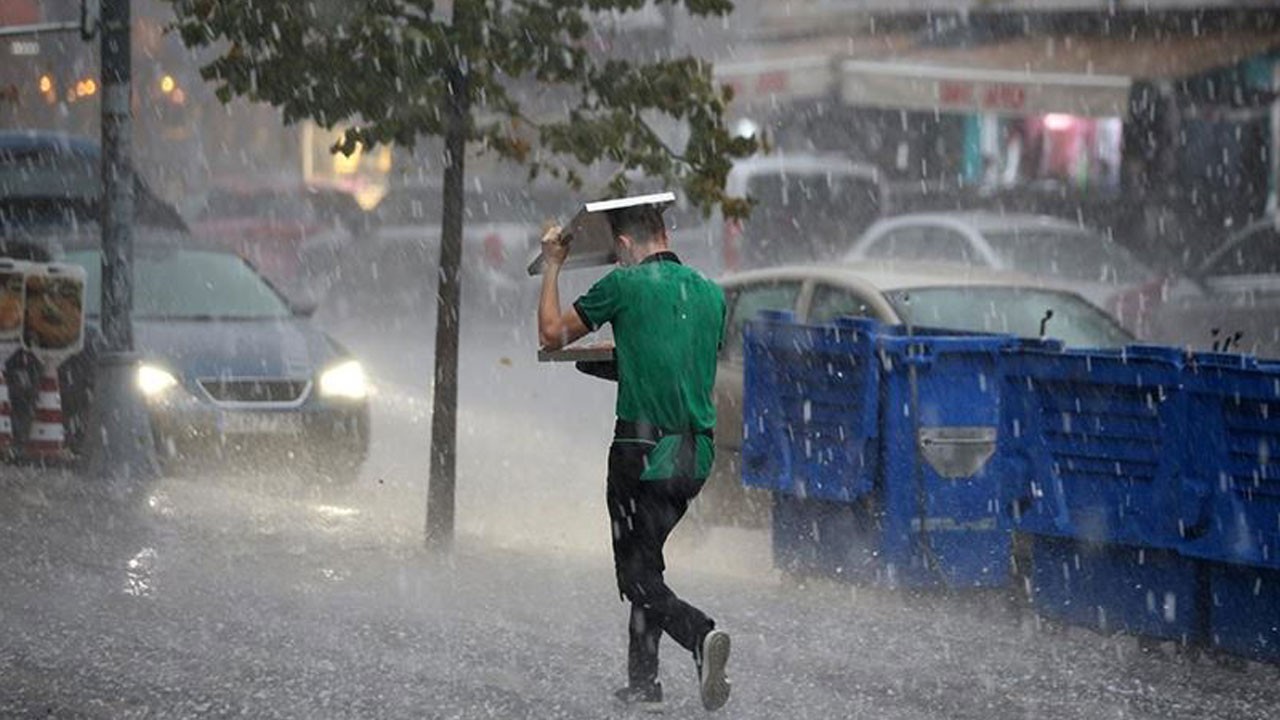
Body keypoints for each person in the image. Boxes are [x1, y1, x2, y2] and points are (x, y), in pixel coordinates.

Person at [537, 201, 732, 712]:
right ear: (665, 232)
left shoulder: (623, 286)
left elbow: (551, 334)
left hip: (641, 453)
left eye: (618, 252)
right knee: (647, 561)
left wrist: (554, 263)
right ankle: (644, 683)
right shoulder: (712, 294)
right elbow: (678, 364)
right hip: (695, 456)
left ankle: (699, 634)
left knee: (636, 576)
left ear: (623, 245)